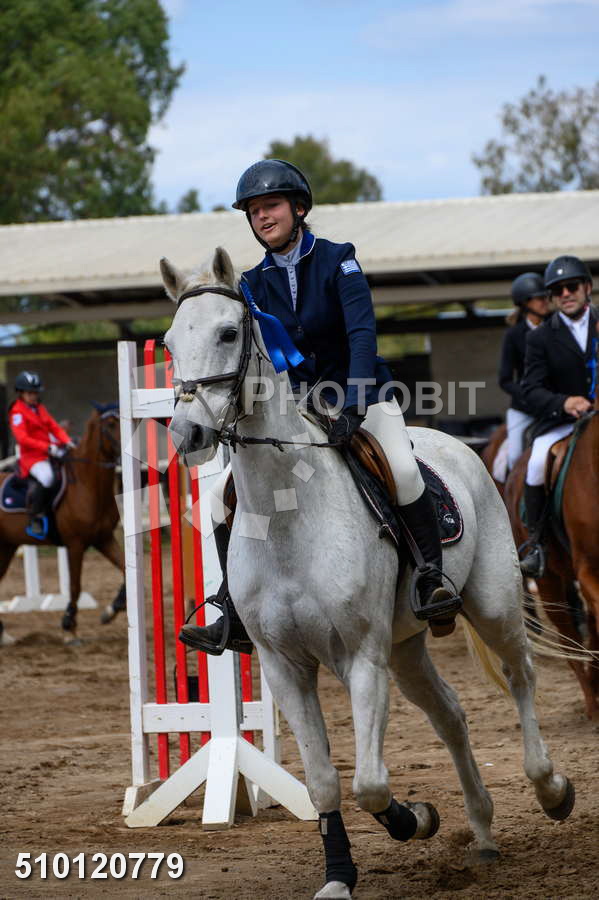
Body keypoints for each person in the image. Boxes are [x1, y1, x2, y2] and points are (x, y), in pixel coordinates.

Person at [179, 159, 462, 655]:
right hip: (298, 406)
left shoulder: (338, 260)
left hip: (362, 395)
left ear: (299, 209)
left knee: (402, 468)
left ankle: (430, 579)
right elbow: (258, 357)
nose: (262, 216)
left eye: (271, 206)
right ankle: (233, 607)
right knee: (225, 497)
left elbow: (361, 334)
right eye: (253, 211)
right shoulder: (251, 284)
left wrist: (353, 400)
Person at [519, 255, 598, 577]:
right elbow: (530, 389)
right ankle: (537, 544)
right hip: (563, 423)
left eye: (572, 286)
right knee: (536, 464)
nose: (565, 293)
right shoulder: (540, 337)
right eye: (557, 289)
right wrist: (564, 403)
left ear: (587, 288)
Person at [8, 371, 74, 539]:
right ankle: (35, 516)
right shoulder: (17, 412)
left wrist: (67, 441)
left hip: (49, 452)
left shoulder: (39, 408)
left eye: (35, 393)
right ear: (21, 393)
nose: (33, 396)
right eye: (30, 393)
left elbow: (54, 427)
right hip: (32, 458)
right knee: (47, 477)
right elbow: (22, 439)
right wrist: (47, 447)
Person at [499, 273, 551, 472]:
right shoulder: (513, 335)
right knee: (514, 457)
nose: (545, 301)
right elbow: (505, 380)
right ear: (525, 303)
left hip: (555, 405)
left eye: (546, 297)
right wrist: (530, 396)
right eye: (539, 298)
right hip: (524, 409)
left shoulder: (556, 327)